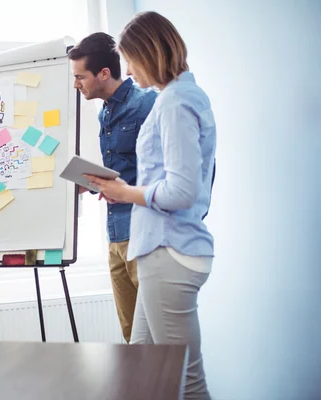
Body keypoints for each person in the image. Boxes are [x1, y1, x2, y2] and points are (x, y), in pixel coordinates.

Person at [86, 12, 216, 399]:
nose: (128, 69)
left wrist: (126, 193)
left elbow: (181, 191)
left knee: (184, 381)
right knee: (144, 369)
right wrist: (125, 187)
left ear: (149, 53)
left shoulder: (175, 102)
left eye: (130, 59)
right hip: (161, 248)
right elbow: (173, 180)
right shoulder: (177, 97)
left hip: (169, 249)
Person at [68, 32, 157, 343]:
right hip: (115, 237)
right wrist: (87, 183)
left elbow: (168, 172)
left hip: (144, 236)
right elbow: (119, 172)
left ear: (104, 73)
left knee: (158, 342)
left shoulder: (147, 104)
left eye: (80, 77)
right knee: (132, 337)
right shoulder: (104, 111)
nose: (76, 84)